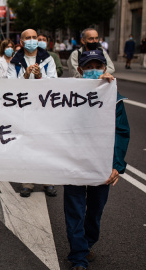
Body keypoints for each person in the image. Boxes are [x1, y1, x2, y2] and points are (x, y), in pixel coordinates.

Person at [65, 49, 130, 270]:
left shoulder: (114, 97)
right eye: (89, 67)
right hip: (74, 162)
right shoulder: (67, 95)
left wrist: (116, 165)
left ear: (105, 68)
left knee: (94, 211)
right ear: (80, 70)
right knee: (74, 209)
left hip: (100, 165)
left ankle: (87, 242)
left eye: (98, 67)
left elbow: (121, 132)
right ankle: (78, 256)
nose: (94, 71)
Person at [6, 29, 57, 196]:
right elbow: (10, 87)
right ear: (21, 42)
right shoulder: (15, 62)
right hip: (24, 110)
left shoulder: (48, 59)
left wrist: (41, 77)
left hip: (43, 110)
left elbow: (55, 84)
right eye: (28, 38)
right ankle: (27, 182)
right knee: (26, 145)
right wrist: (25, 77)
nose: (32, 40)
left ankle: (48, 180)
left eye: (34, 37)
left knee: (46, 145)